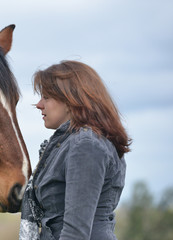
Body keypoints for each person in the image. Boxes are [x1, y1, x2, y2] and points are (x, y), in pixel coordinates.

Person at [19, 60, 131, 240]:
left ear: (72, 100)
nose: (39, 104)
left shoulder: (86, 146)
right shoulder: (69, 144)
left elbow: (75, 234)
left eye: (46, 97)